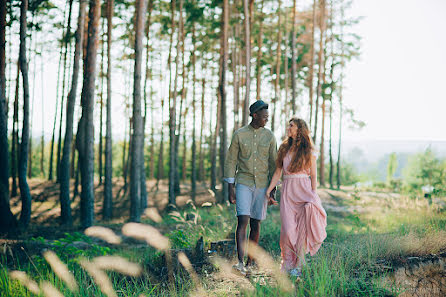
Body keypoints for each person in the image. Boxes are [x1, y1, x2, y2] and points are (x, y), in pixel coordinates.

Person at [265, 117, 327, 277]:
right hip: (288, 191)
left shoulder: (309, 151)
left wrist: (313, 195)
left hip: (305, 192)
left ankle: (298, 266)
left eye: (291, 126)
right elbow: (278, 172)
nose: (288, 128)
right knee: (287, 230)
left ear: (299, 129)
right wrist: (269, 189)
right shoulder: (284, 148)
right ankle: (287, 263)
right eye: (288, 125)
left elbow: (313, 176)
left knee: (301, 230)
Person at [224, 100, 278, 275]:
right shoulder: (239, 135)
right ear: (255, 115)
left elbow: (273, 163)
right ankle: (240, 263)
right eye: (264, 117)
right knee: (243, 221)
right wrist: (230, 188)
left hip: (262, 185)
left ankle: (250, 263)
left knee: (256, 223)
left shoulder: (269, 136)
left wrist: (273, 189)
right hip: (243, 183)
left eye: (267, 117)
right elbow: (231, 160)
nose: (266, 120)